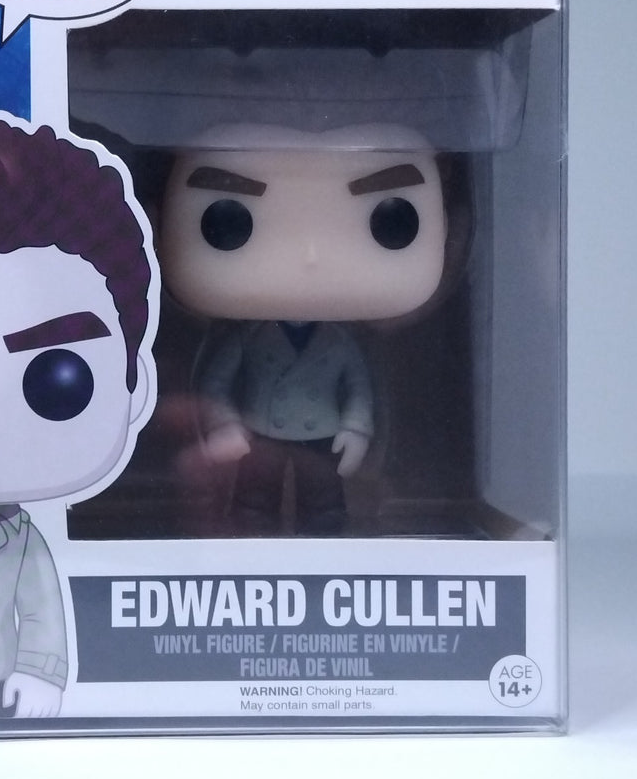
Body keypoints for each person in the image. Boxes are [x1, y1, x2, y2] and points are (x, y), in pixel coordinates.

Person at [0, 114, 154, 717]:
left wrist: (41, 672)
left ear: (136, 385)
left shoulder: (17, 537)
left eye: (54, 382)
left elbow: (42, 609)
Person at [158, 123, 448, 536]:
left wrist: (355, 429)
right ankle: (252, 545)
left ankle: (324, 546)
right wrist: (223, 424)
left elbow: (359, 388)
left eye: (392, 222)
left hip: (323, 436)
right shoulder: (248, 338)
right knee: (253, 502)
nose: (310, 256)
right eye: (228, 220)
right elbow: (216, 383)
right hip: (259, 434)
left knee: (324, 503)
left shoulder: (340, 342)